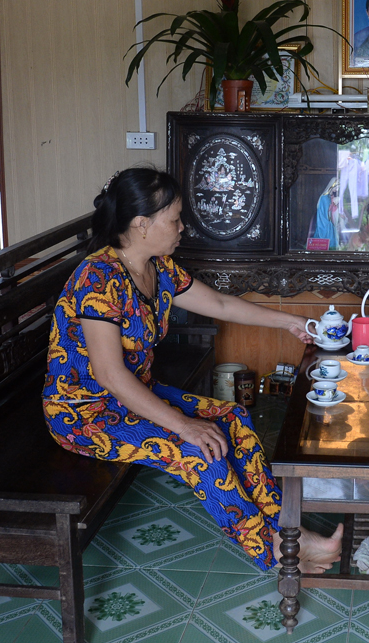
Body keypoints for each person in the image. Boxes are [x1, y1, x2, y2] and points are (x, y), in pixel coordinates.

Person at [42, 168, 343, 573]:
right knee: (199, 451)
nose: (182, 227)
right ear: (141, 224)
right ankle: (275, 552)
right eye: (174, 219)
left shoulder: (159, 268)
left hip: (135, 394)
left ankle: (289, 534)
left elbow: (219, 304)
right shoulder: (98, 279)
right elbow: (110, 376)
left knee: (232, 418)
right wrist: (185, 426)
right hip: (84, 413)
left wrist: (289, 321)